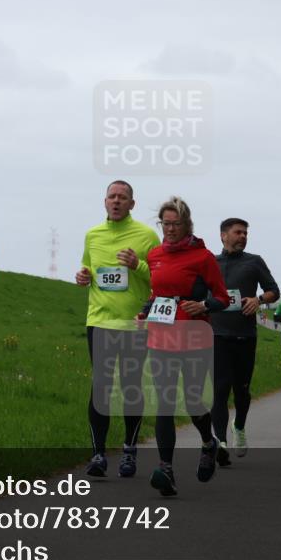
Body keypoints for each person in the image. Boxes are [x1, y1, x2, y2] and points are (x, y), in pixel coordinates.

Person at [140, 197, 229, 496]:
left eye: (176, 224)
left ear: (187, 224)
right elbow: (158, 295)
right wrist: (145, 310)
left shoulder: (203, 257)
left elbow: (223, 298)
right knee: (164, 403)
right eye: (166, 223)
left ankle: (208, 442)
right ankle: (166, 469)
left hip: (194, 336)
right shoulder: (154, 255)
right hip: (161, 337)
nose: (171, 229)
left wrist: (202, 304)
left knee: (193, 401)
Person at [76, 181, 160, 478]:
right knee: (101, 386)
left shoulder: (147, 236)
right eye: (112, 196)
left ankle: (129, 450)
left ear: (132, 204)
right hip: (99, 321)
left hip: (134, 322)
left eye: (122, 197)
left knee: (130, 386)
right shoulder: (92, 235)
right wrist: (83, 276)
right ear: (104, 202)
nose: (116, 201)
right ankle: (98, 454)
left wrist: (138, 265)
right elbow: (88, 268)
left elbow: (161, 279)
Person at [210, 218, 280, 464]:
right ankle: (220, 441)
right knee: (219, 390)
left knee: (241, 390)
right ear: (223, 235)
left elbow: (274, 290)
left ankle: (238, 425)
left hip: (244, 335)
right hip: (216, 335)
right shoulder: (211, 263)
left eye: (245, 233)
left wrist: (258, 300)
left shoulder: (254, 261)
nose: (243, 236)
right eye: (238, 232)